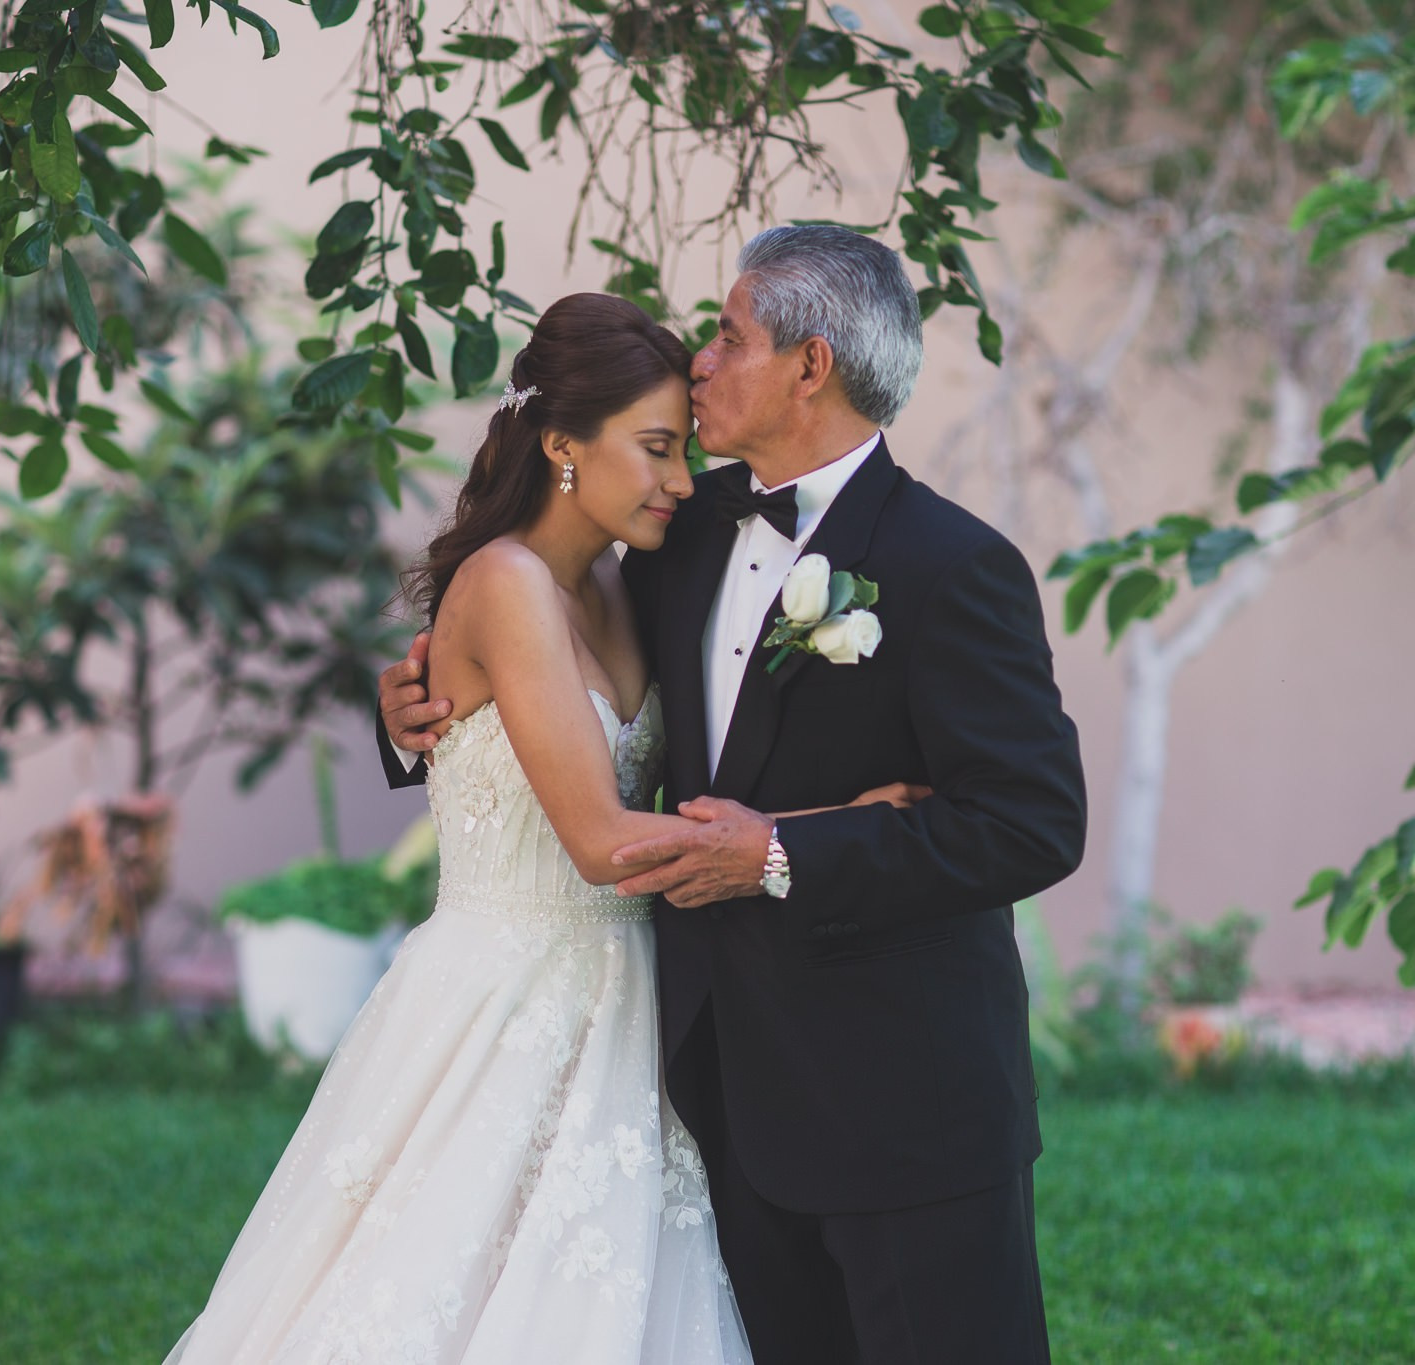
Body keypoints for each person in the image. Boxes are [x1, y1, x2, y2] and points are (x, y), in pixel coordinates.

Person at [381, 227, 1088, 1365]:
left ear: (810, 366)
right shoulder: (678, 530)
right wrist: (417, 707)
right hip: (712, 1097)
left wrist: (782, 852)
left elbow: (1031, 822)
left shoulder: (955, 568)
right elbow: (548, 675)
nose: (699, 360)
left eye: (727, 334)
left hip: (908, 1113)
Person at [166, 292, 915, 1365]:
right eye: (654, 449)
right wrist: (837, 823)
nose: (679, 480)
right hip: (504, 995)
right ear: (562, 444)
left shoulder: (623, 577)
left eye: (684, 449)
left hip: (628, 1000)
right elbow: (603, 843)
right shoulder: (507, 581)